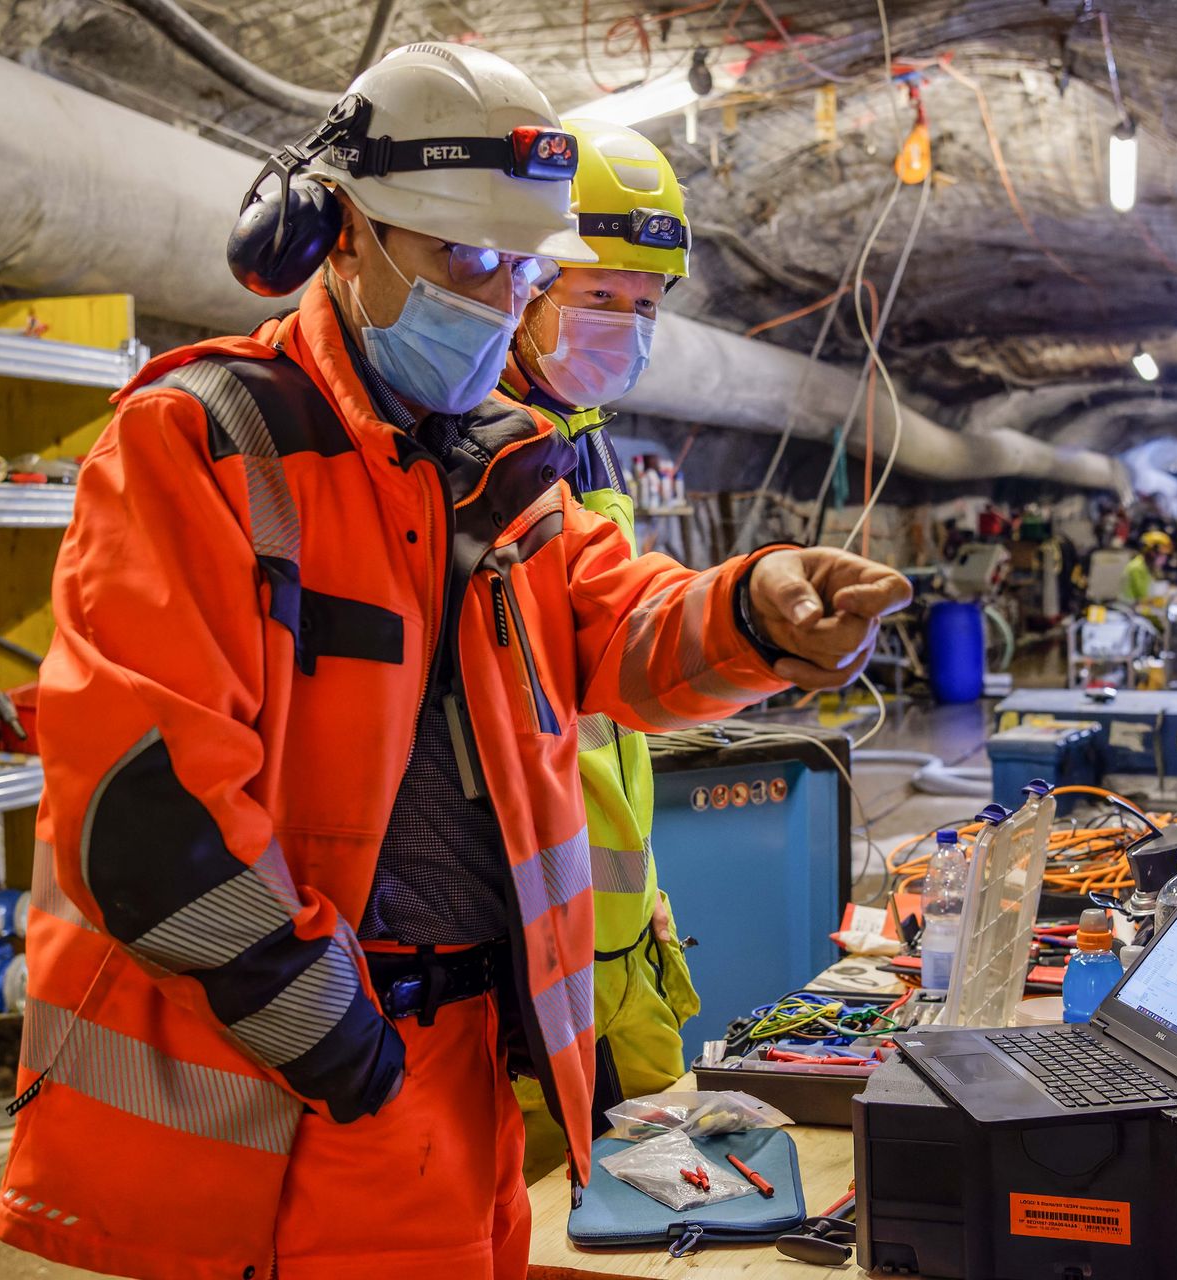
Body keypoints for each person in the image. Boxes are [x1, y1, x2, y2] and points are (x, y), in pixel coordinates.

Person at [0, 43, 910, 1280]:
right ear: (343, 234)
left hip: (474, 1058)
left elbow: (616, 622)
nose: (494, 296)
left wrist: (756, 608)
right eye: (464, 256)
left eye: (521, 266)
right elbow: (143, 805)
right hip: (292, 1089)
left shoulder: (500, 464)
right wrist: (342, 1045)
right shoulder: (204, 443)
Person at [493, 118, 699, 1182]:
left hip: (617, 932)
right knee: (536, 1213)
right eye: (599, 296)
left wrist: (647, 881)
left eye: (645, 306)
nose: (624, 327)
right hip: (528, 954)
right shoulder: (477, 447)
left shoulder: (581, 433)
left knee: (646, 1191)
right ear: (521, 284)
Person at [1122, 529, 1174, 605]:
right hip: (1131, 609)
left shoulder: (1148, 566)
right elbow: (1143, 597)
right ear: (1151, 552)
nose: (1163, 557)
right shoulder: (1137, 567)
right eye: (1161, 554)